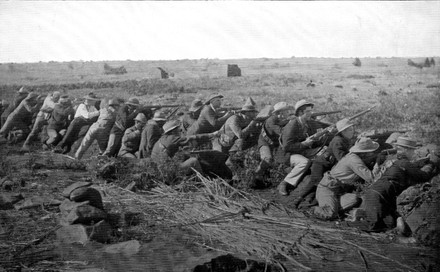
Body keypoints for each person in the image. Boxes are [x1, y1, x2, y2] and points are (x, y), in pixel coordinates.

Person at [353, 137, 436, 233]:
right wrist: (431, 165)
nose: (413, 153)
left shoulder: (398, 162)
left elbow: (413, 168)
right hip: (378, 195)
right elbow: (423, 176)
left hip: (382, 196)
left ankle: (362, 214)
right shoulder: (404, 163)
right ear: (406, 150)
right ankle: (345, 224)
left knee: (390, 223)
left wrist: (423, 163)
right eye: (412, 150)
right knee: (373, 226)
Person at [293, 118, 355, 208]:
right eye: (350, 130)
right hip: (320, 164)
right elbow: (341, 158)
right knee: (316, 182)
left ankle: (312, 201)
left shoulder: (344, 140)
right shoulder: (338, 141)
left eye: (352, 129)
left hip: (326, 165)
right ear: (343, 131)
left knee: (319, 183)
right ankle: (298, 200)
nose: (352, 132)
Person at [313, 137, 380, 220]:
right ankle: (315, 209)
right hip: (328, 189)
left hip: (338, 191)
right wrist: (377, 164)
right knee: (329, 214)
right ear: (364, 153)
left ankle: (334, 208)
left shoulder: (354, 157)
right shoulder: (354, 160)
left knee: (355, 199)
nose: (372, 154)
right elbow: (371, 178)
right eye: (371, 152)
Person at [277, 100, 330, 196]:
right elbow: (286, 147)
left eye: (311, 111)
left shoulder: (307, 123)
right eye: (308, 111)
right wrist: (304, 144)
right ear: (300, 112)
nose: (311, 113)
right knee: (304, 162)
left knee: (324, 149)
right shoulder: (292, 125)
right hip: (288, 154)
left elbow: (312, 139)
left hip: (301, 150)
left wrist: (322, 137)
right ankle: (285, 183)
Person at [151, 120, 218, 174]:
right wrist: (211, 135)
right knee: (193, 161)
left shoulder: (163, 139)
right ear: (173, 131)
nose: (181, 131)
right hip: (166, 171)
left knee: (185, 156)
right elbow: (192, 138)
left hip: (159, 168)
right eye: (179, 129)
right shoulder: (172, 139)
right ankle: (202, 181)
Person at [212, 98, 262, 170]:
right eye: (252, 112)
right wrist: (251, 125)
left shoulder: (248, 119)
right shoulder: (234, 119)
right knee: (220, 165)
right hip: (221, 143)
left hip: (232, 144)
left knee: (232, 163)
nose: (254, 114)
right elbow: (240, 135)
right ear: (246, 113)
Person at [254, 102, 292, 187]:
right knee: (267, 158)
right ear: (281, 112)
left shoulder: (282, 120)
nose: (288, 113)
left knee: (284, 159)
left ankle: (266, 178)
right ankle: (255, 178)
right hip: (265, 142)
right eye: (287, 111)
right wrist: (291, 123)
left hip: (275, 143)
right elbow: (281, 132)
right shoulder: (271, 120)